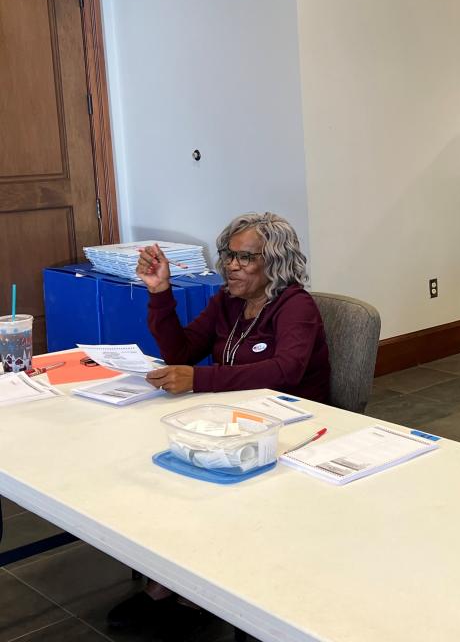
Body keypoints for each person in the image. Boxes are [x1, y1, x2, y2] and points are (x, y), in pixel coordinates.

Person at [107, 212, 330, 639]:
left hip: (295, 429)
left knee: (206, 487)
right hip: (236, 422)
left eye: (245, 258)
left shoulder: (295, 305)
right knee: (171, 475)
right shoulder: (226, 301)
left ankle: (195, 597)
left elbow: (286, 371)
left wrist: (201, 380)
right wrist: (160, 293)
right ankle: (169, 583)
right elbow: (182, 351)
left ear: (275, 263)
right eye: (228, 254)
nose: (231, 264)